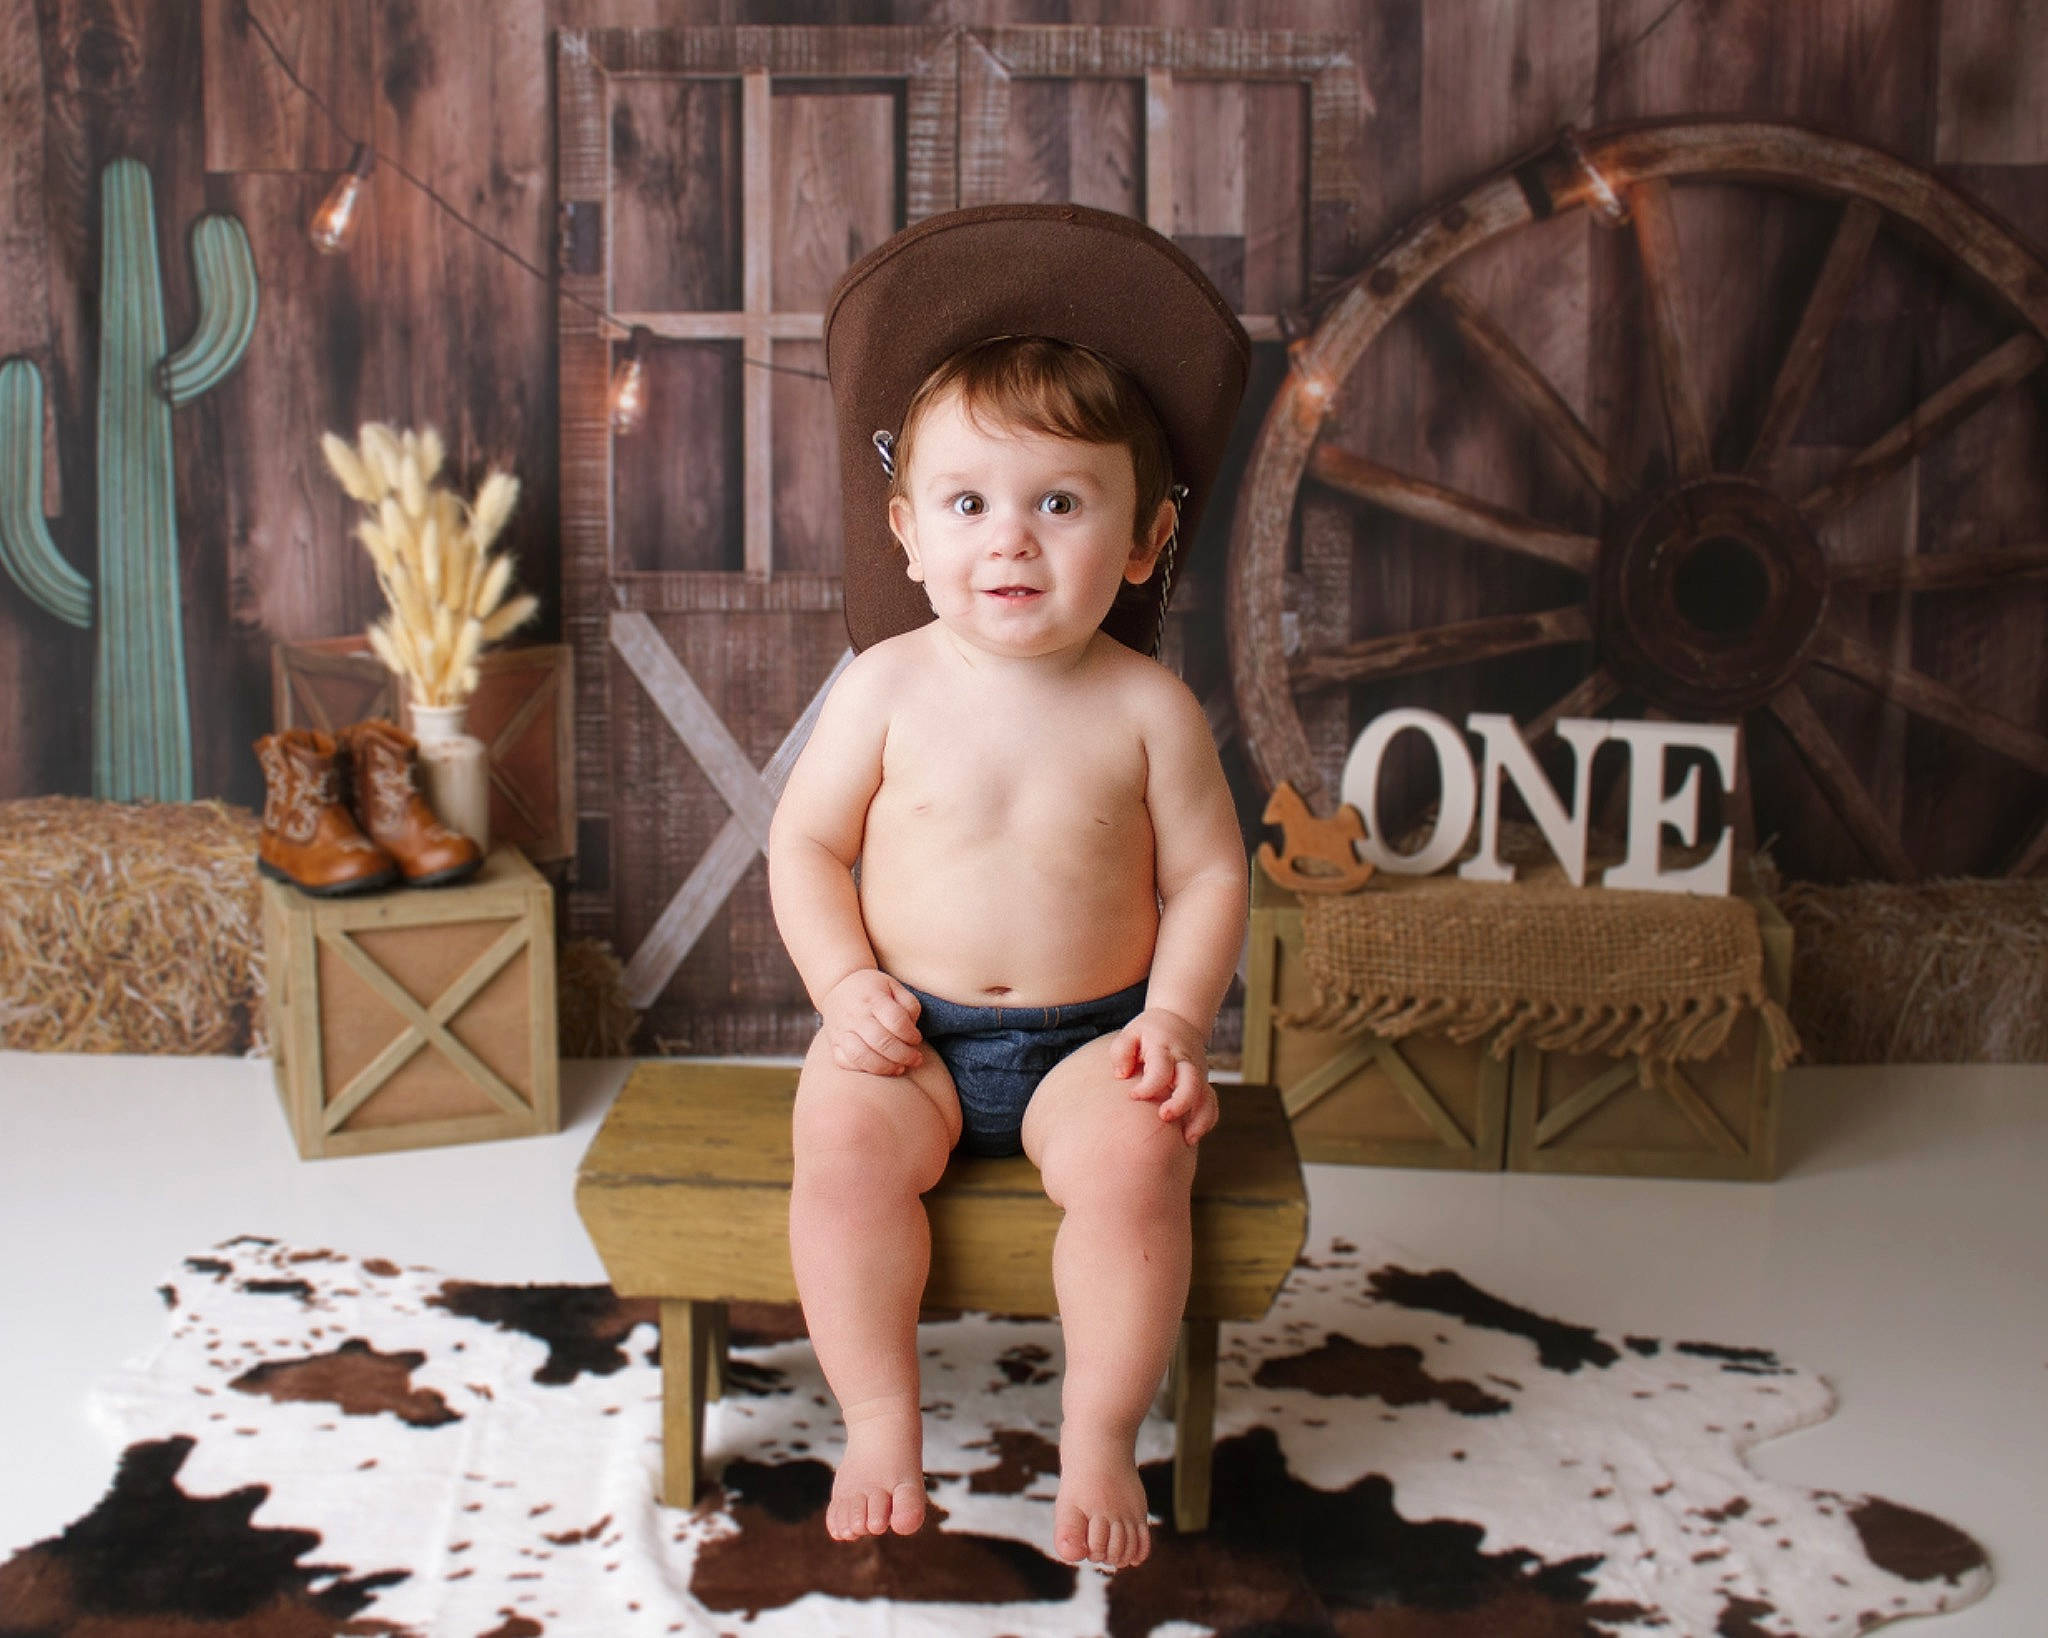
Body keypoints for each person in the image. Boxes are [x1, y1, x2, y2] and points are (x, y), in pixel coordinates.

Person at [767, 204, 1250, 1570]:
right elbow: (802, 847)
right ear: (908, 534)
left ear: (1145, 540)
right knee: (841, 1152)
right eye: (971, 503)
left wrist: (1172, 1021)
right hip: (908, 1032)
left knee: (1137, 1166)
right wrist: (846, 986)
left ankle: (1099, 1430)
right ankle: (876, 1415)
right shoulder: (884, 687)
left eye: (1060, 502)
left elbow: (1213, 871)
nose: (1013, 541)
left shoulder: (1149, 707)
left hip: (1090, 1043)